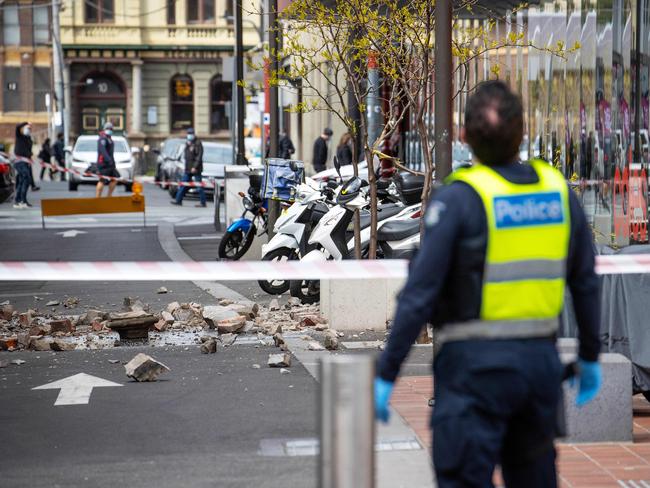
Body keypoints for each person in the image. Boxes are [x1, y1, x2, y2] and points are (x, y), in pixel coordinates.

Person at [375, 80, 602, 488]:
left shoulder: (459, 200)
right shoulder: (557, 193)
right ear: (522, 131)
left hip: (471, 373)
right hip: (537, 370)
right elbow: (585, 282)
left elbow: (420, 295)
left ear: (464, 137)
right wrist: (588, 356)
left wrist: (387, 371)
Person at [171, 127, 206, 207]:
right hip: (188, 169)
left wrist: (195, 167)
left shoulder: (198, 143)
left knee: (199, 186)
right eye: (189, 133)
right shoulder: (187, 143)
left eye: (191, 133)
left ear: (194, 134)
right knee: (183, 184)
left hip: (195, 169)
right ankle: (178, 200)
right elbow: (186, 156)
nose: (190, 135)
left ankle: (203, 202)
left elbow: (199, 157)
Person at [13, 122, 34, 208]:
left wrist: (29, 157)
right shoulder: (19, 137)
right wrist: (26, 123)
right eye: (27, 128)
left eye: (29, 129)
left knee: (23, 181)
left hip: (26, 162)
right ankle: (20, 200)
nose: (28, 130)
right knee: (26, 178)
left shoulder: (29, 139)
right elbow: (17, 126)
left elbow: (28, 150)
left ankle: (20, 200)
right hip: (19, 162)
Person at [95, 122, 119, 198]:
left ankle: (109, 196)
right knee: (102, 180)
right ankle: (97, 198)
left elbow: (110, 152)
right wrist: (108, 160)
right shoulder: (102, 138)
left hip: (110, 164)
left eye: (111, 129)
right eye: (108, 128)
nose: (109, 130)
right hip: (103, 164)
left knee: (115, 179)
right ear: (104, 129)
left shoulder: (109, 139)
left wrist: (113, 162)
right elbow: (103, 151)